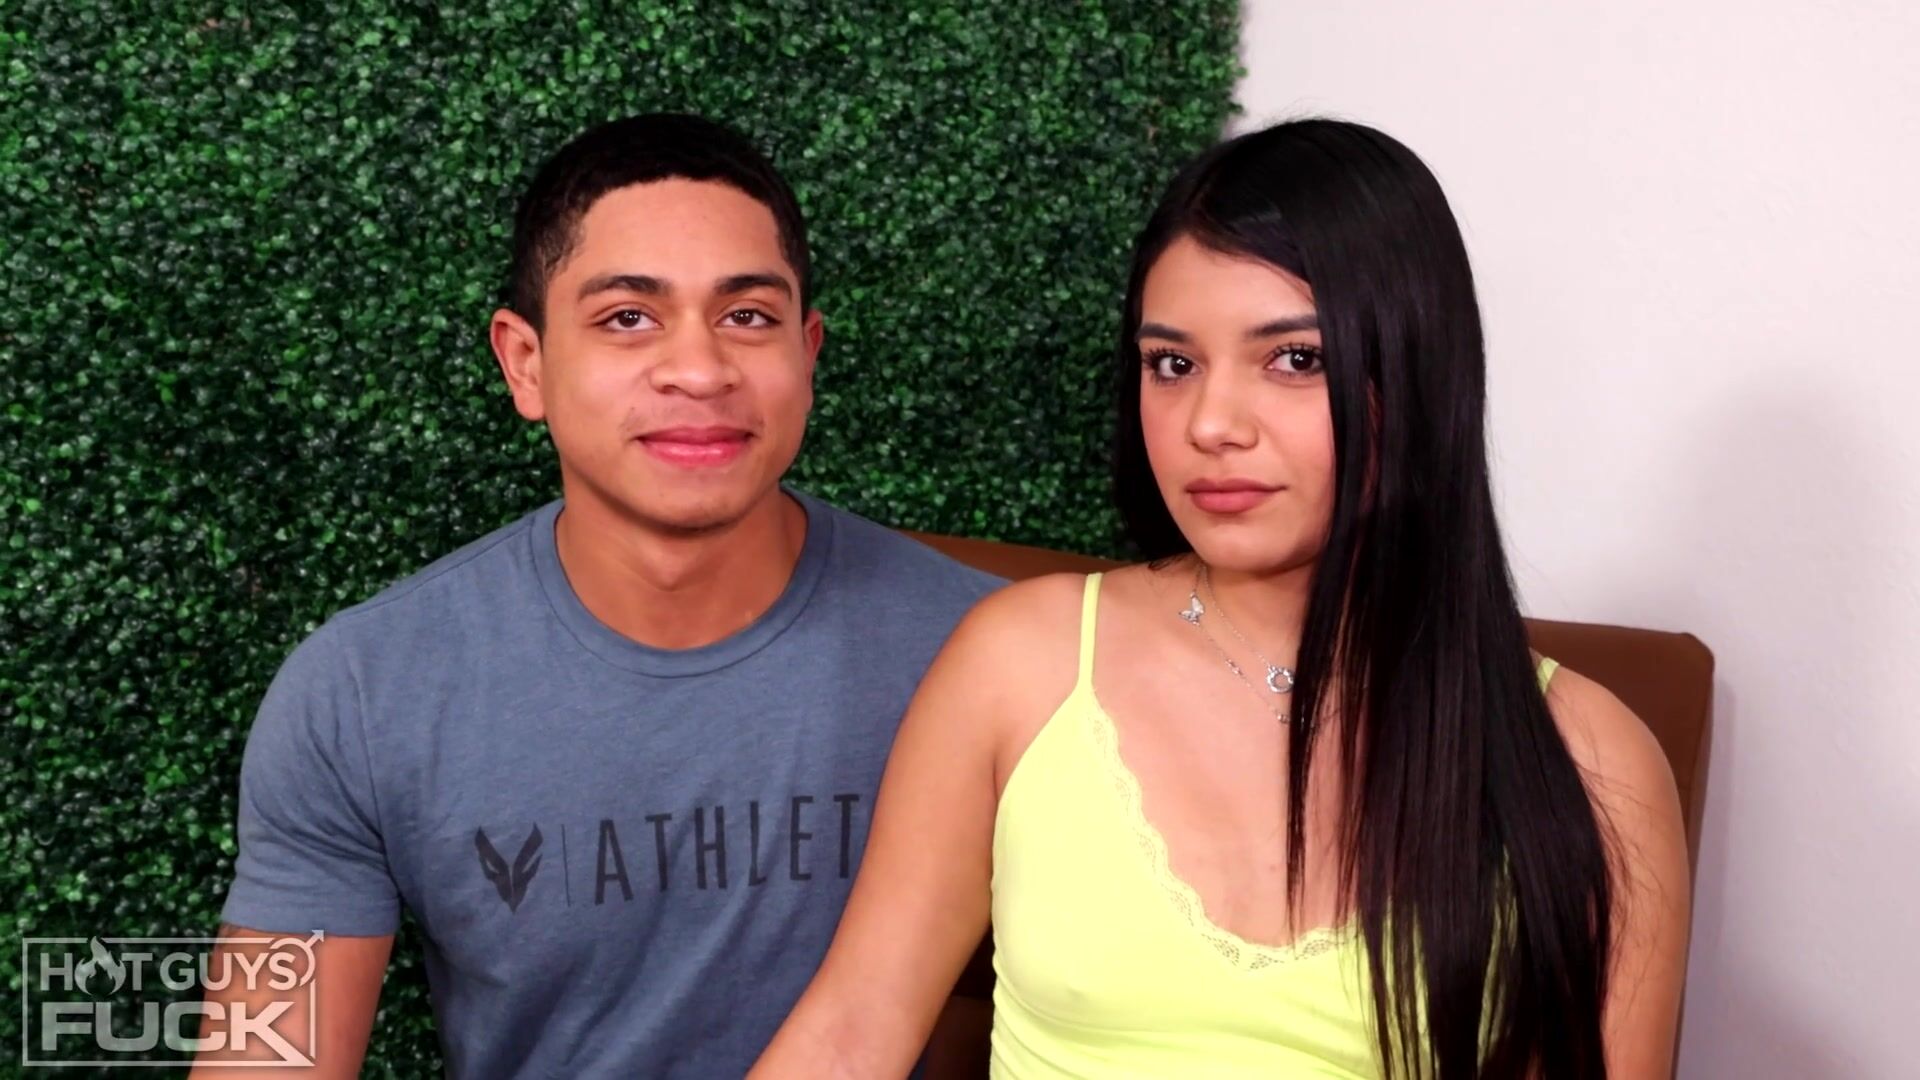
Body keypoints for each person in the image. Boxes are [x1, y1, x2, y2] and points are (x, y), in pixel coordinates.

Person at [752, 118, 1691, 1078]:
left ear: (1415, 371)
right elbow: (851, 1033)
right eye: (1173, 364)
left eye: (1295, 359)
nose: (1209, 424)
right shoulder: (1020, 661)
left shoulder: (1590, 762)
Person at [192, 112, 998, 1078]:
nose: (699, 370)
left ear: (808, 352)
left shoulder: (987, 654)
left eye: (748, 316)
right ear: (525, 363)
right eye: (627, 318)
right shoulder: (361, 693)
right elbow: (263, 1063)